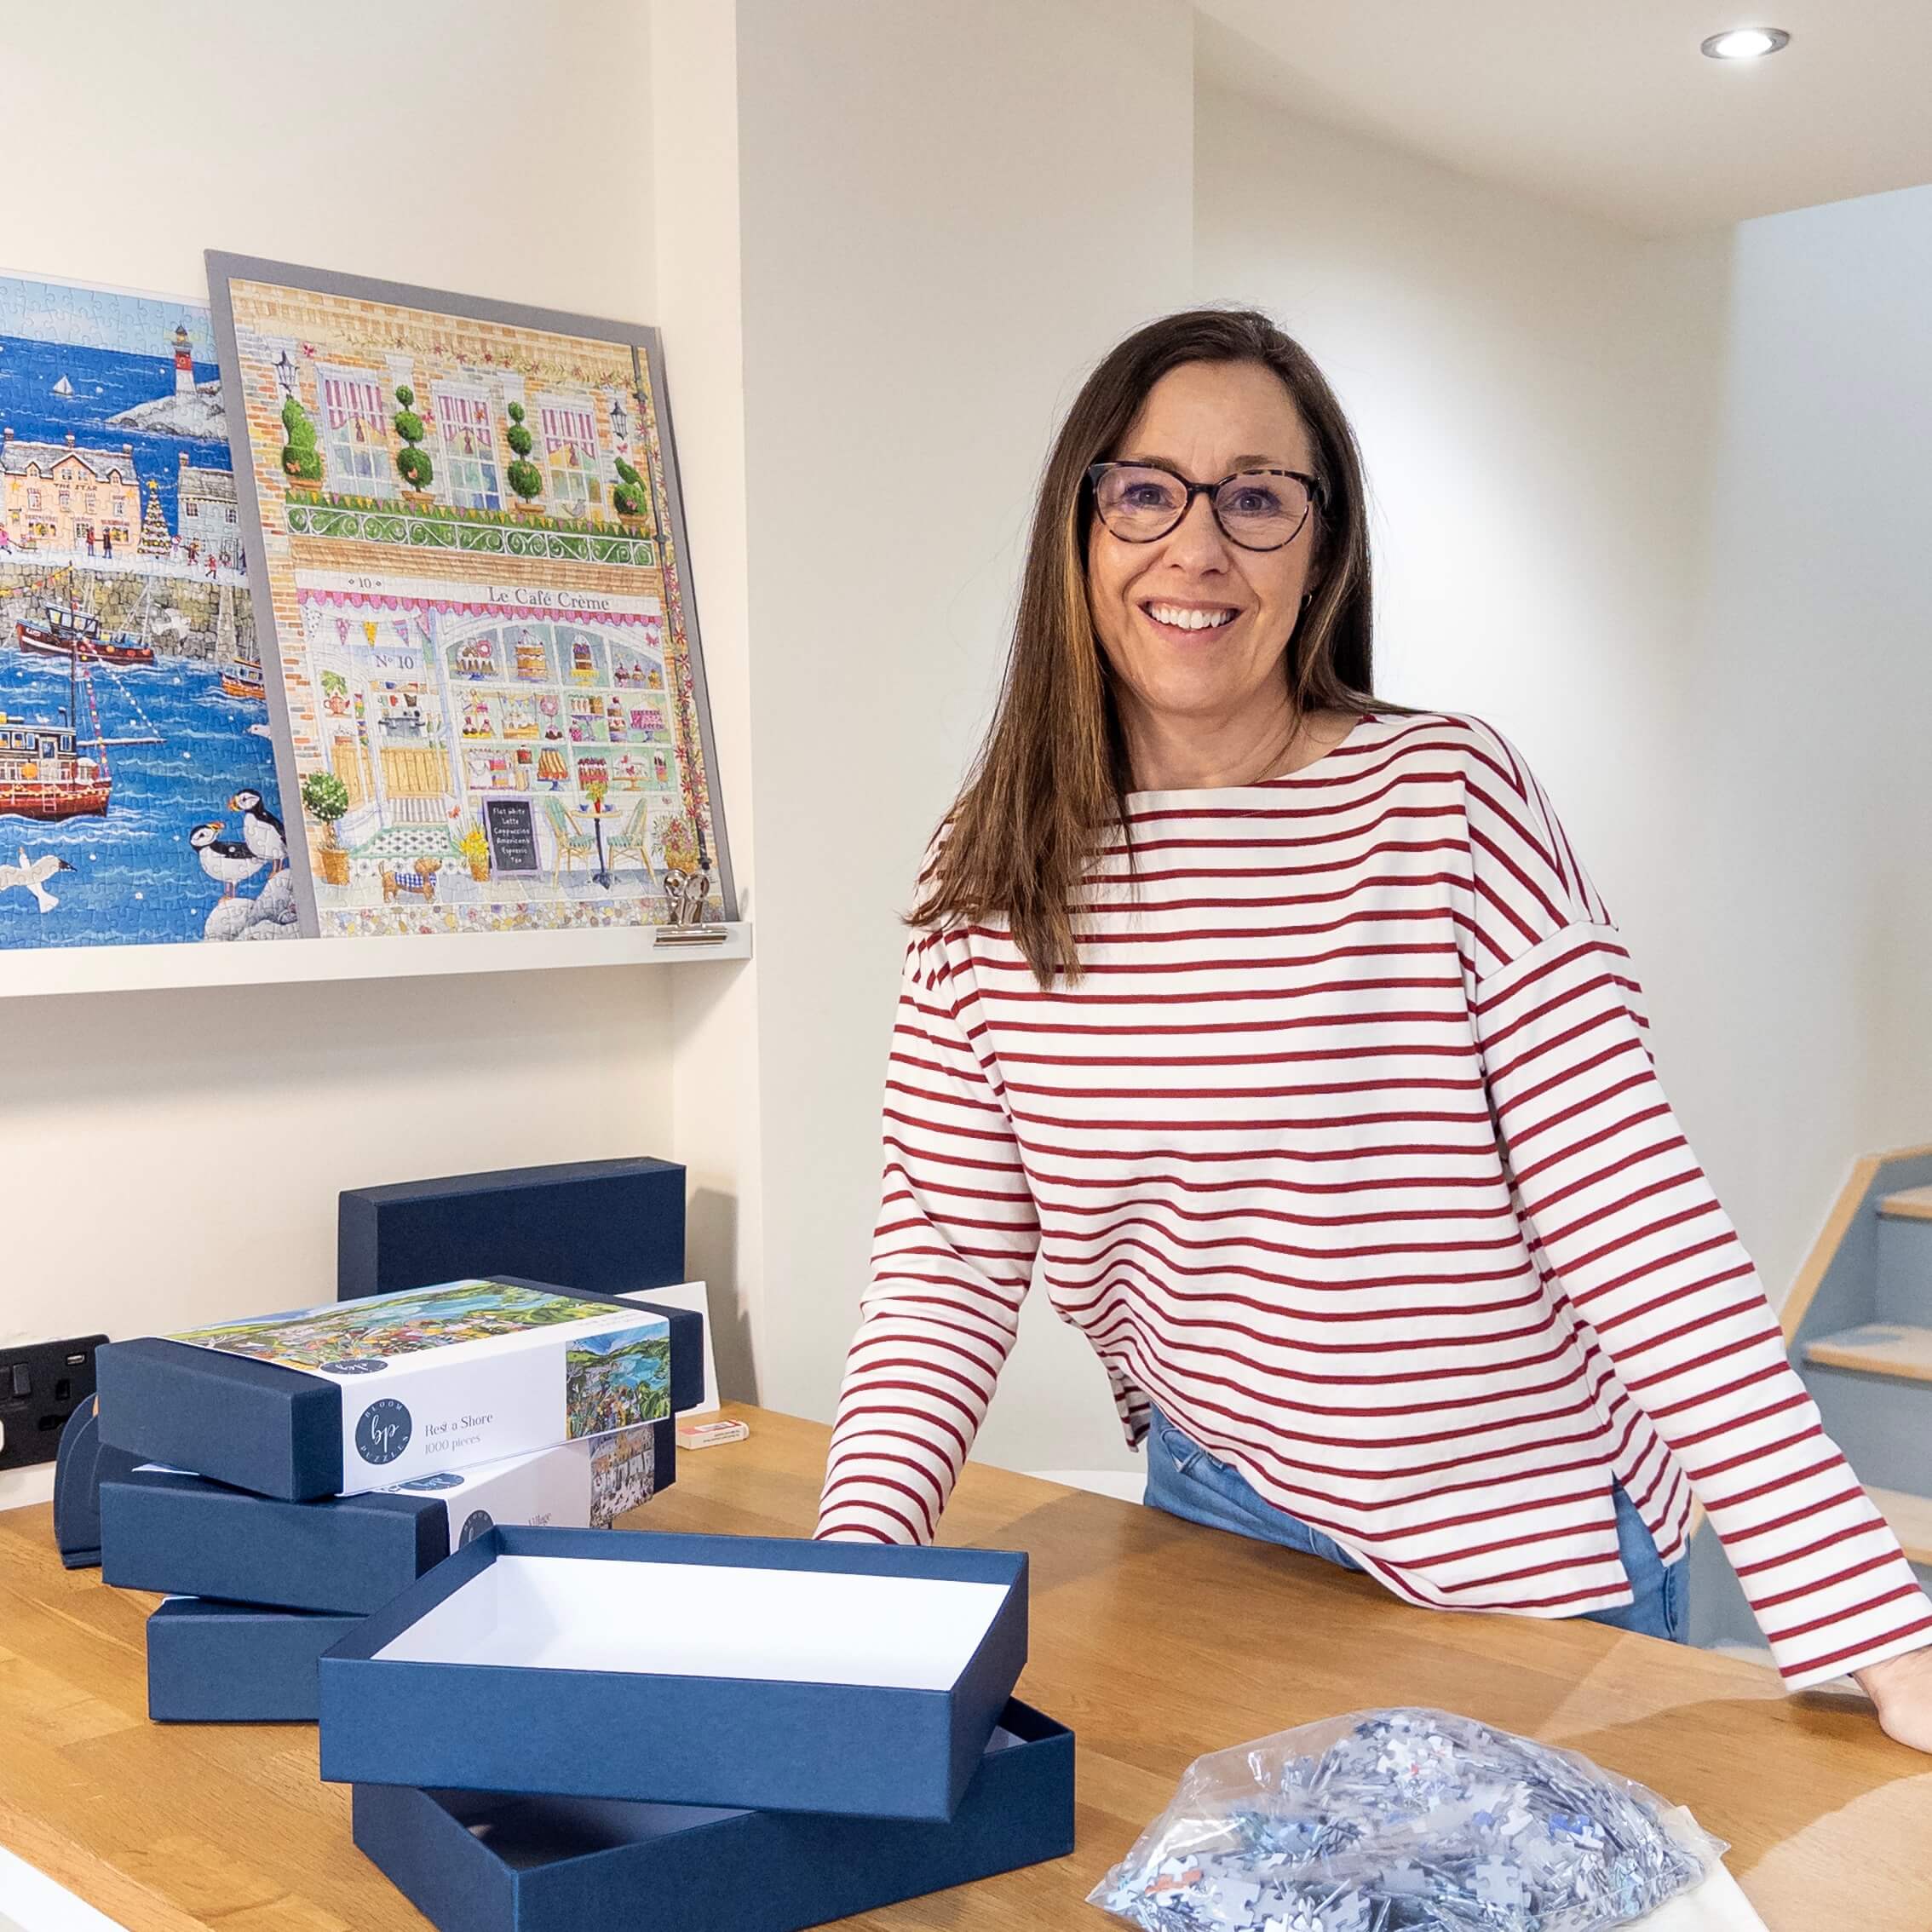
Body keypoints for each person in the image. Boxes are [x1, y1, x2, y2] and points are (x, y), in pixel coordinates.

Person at [813, 308, 1932, 1752]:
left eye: (1257, 499)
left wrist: (1870, 1613)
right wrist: (853, 1571)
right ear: (1079, 529)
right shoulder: (995, 865)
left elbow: (1630, 1214)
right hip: (1225, 1502)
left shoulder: (1445, 803)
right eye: (1146, 490)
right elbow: (951, 1259)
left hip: (1522, 1539)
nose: (1197, 548)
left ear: (1320, 551)